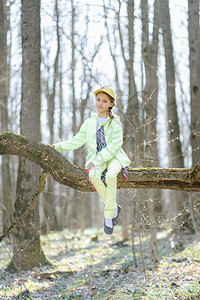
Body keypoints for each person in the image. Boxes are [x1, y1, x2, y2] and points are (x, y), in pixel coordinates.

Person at [53, 85, 131, 234]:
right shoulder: (89, 122)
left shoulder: (115, 122)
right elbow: (76, 141)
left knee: (110, 176)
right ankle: (114, 206)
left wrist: (95, 161)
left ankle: (108, 215)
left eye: (104, 101)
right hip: (97, 160)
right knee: (94, 175)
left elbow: (115, 145)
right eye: (98, 99)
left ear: (111, 104)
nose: (100, 103)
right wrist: (56, 147)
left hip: (114, 157)